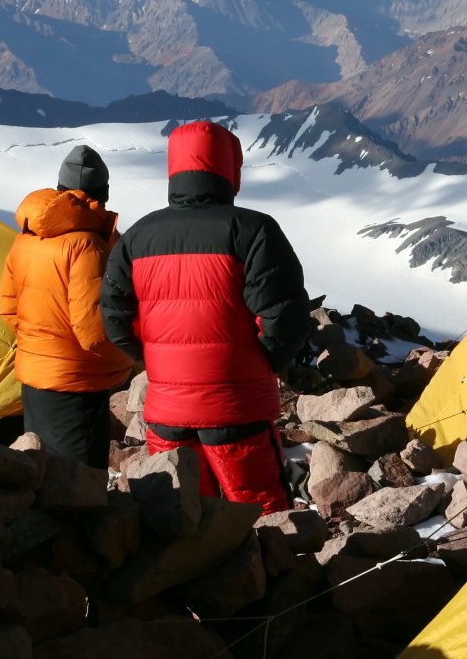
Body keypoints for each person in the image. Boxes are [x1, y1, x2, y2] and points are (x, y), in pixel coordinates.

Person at [100, 120, 311, 513]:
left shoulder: (138, 236)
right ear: (231, 170)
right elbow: (285, 315)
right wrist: (264, 362)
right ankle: (269, 571)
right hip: (237, 407)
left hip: (167, 412)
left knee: (188, 514)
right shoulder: (254, 230)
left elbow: (115, 316)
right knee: (260, 510)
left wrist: (158, 361)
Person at [0, 145, 133, 468]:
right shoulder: (87, 245)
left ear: (60, 189)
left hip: (33, 384)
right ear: (103, 194)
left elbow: (8, 309)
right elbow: (95, 333)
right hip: (76, 388)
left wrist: (43, 349)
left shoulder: (27, 238)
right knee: (79, 492)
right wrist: (132, 358)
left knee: (43, 478)